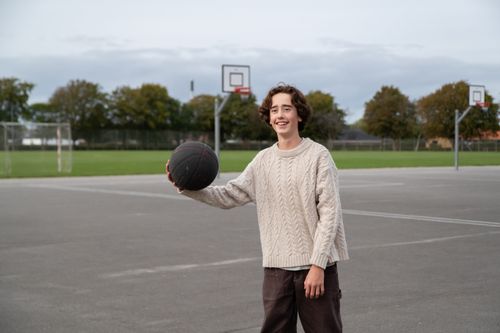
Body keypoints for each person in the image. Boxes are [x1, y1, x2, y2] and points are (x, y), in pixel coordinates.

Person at [166, 84, 349, 333]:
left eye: (287, 108)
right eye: (274, 110)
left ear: (300, 115)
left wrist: (317, 265)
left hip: (316, 269)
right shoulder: (263, 160)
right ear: (269, 117)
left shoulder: (318, 156)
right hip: (276, 269)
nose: (280, 115)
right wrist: (186, 187)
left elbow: (330, 214)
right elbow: (230, 194)